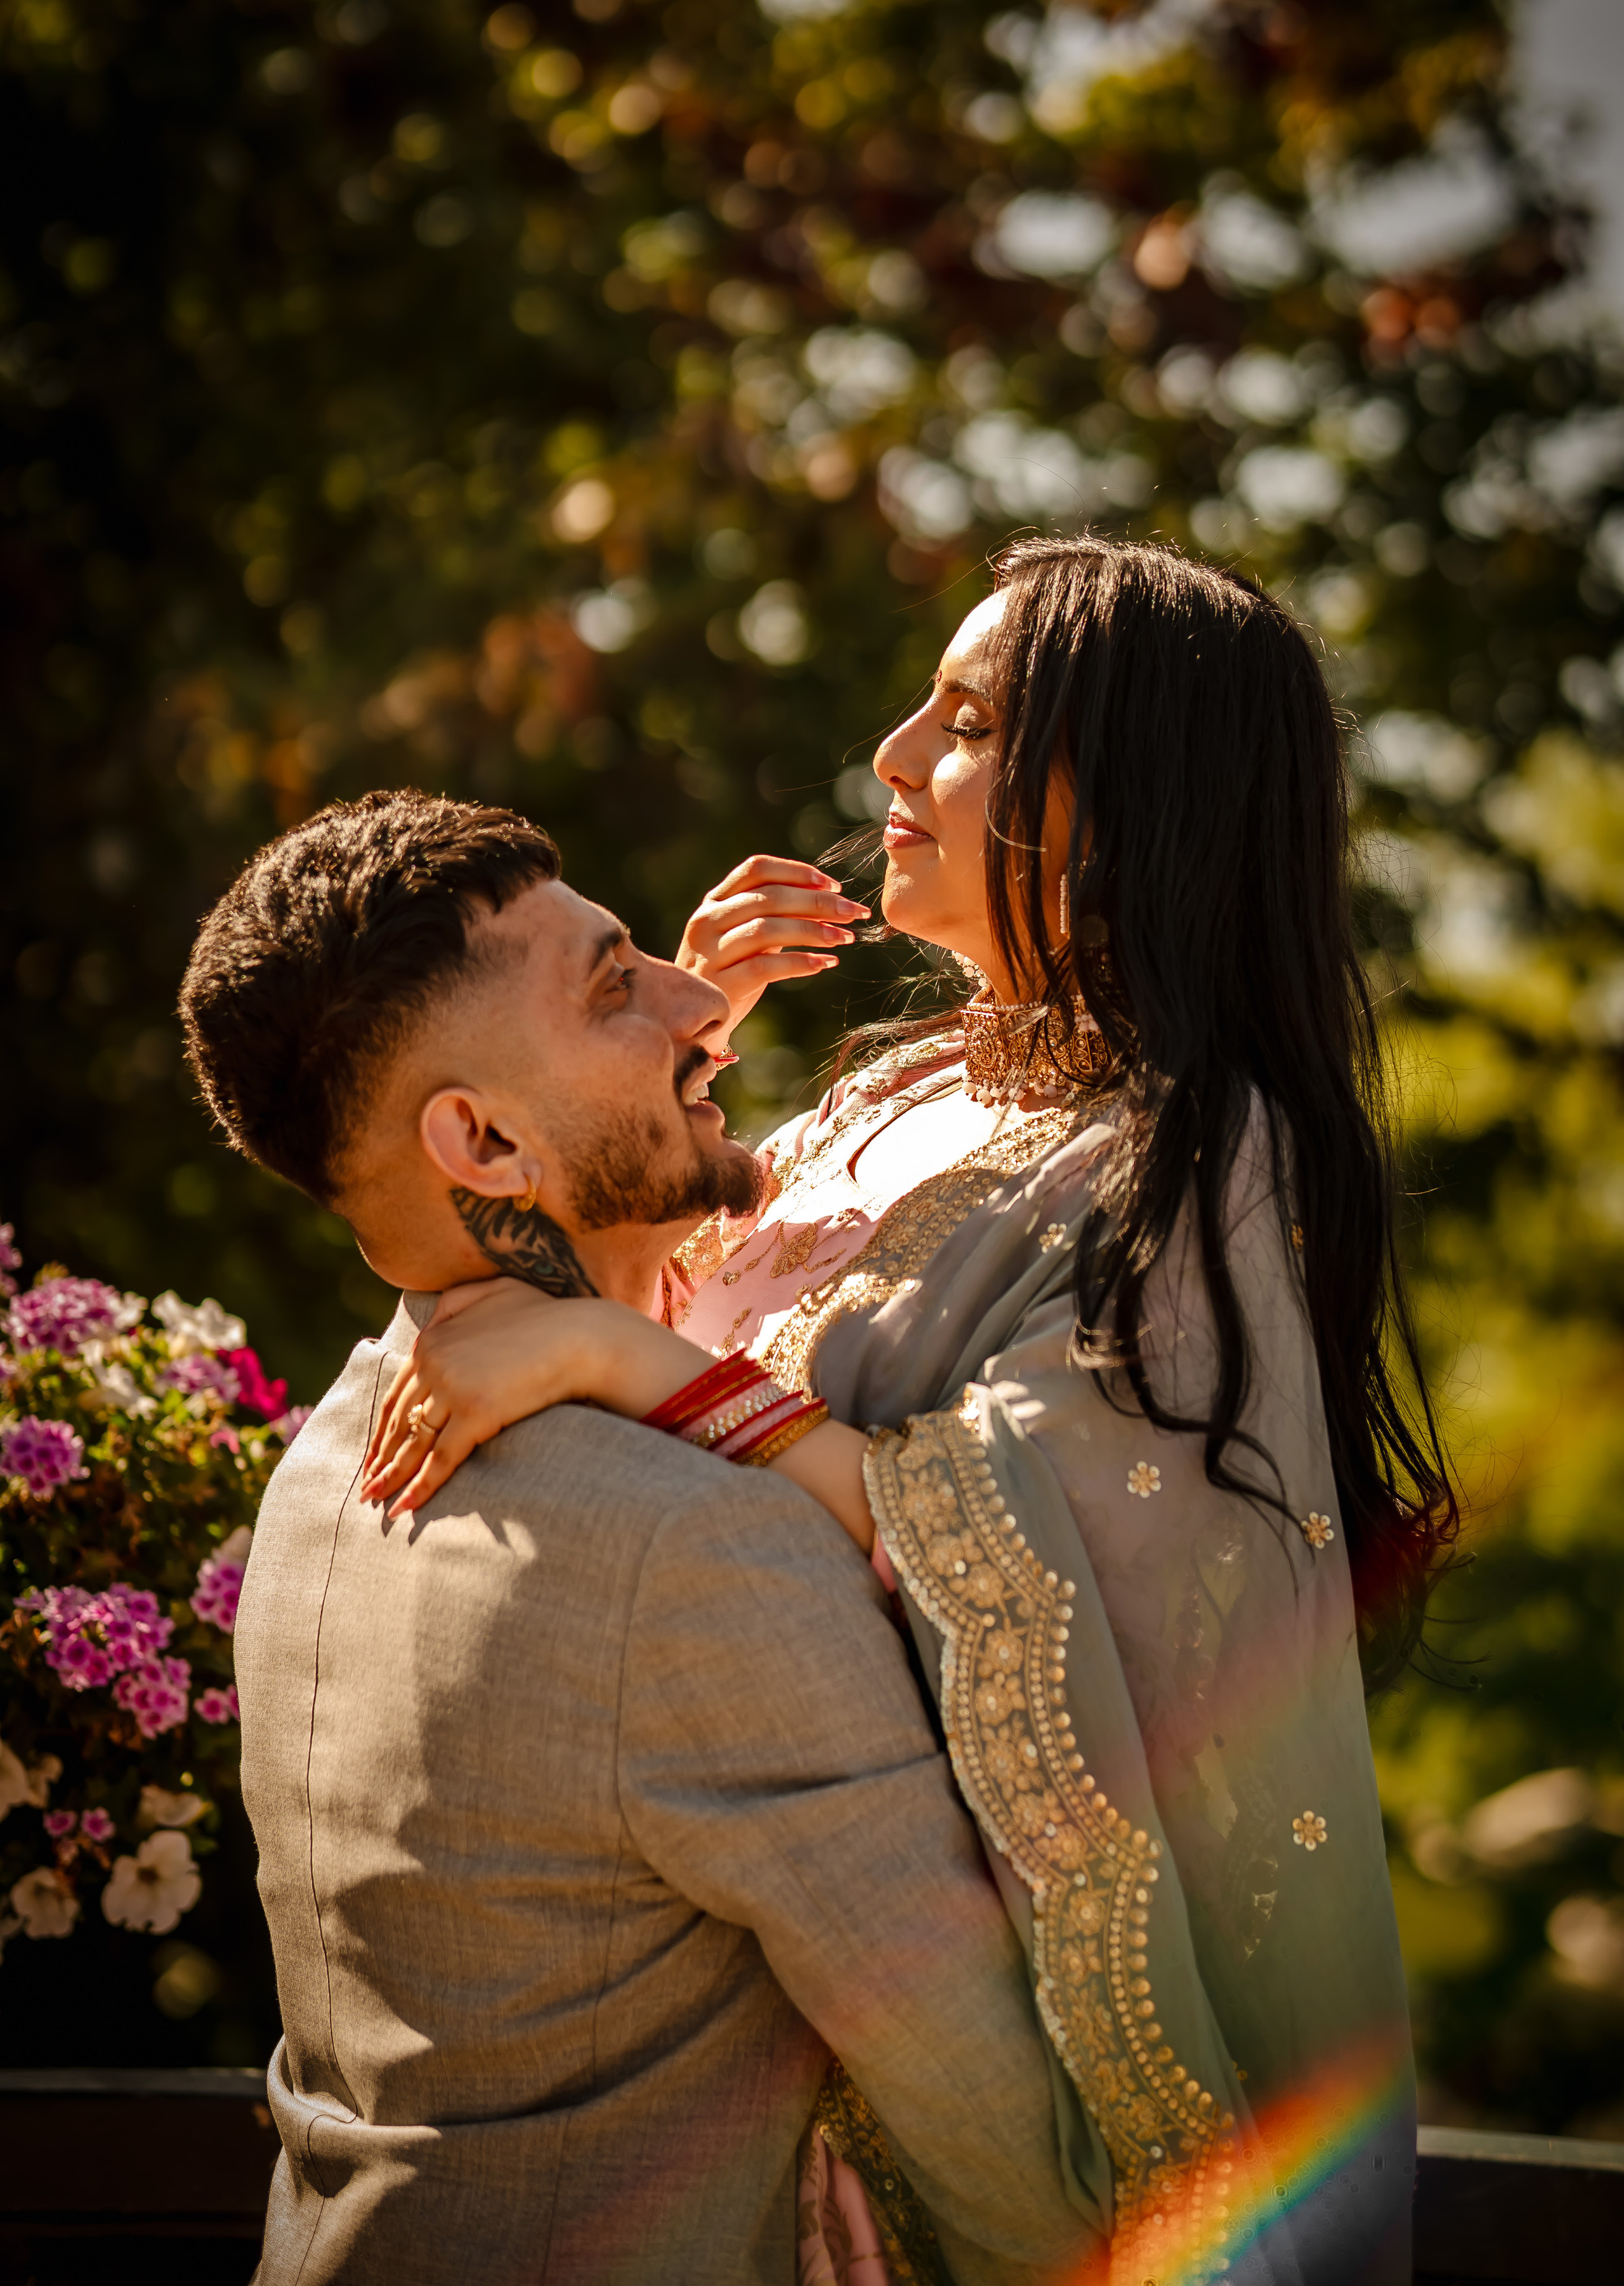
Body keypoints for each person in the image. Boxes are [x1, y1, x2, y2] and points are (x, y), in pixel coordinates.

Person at [364, 535, 1462, 2286]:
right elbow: (616, 1394)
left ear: (1127, 799)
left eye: (964, 719)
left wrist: (636, 1364)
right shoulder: (894, 1087)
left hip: (908, 2072)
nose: (890, 754)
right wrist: (660, 1054)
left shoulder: (1198, 1149)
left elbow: (1042, 1560)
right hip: (680, 2005)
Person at [177, 791, 1096, 2286]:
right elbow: (1001, 2156)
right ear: (477, 1140)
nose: (693, 1003)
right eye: (618, 988)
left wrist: (638, 1070)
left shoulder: (325, 1467)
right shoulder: (696, 1555)